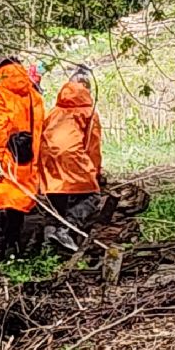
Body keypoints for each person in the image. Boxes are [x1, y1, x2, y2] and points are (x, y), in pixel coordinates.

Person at [0, 56, 45, 267]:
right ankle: (13, 247)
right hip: (27, 155)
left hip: (4, 153)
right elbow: (39, 125)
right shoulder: (33, 91)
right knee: (18, 201)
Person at [41, 65, 107, 248]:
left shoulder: (55, 110)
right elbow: (92, 146)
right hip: (73, 157)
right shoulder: (88, 112)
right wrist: (95, 173)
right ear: (88, 88)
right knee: (92, 196)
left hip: (48, 160)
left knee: (57, 199)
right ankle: (66, 229)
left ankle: (49, 236)